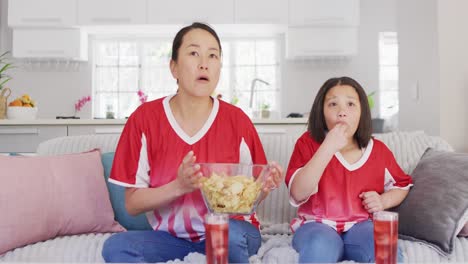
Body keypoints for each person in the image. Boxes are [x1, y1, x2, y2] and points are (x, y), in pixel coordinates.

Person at [101, 22, 283, 263]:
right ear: (174, 67)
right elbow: (132, 204)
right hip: (172, 240)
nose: (204, 63)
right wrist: (179, 186)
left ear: (219, 68)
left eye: (213, 55)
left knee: (229, 235)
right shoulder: (143, 120)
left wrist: (263, 188)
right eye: (194, 53)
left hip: (231, 231)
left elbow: (253, 196)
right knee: (116, 248)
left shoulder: (237, 121)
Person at [285, 76, 413, 263]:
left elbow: (402, 185)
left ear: (362, 112)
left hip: (362, 227)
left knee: (385, 248)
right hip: (317, 227)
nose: (342, 112)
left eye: (351, 104)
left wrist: (383, 200)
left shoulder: (378, 151)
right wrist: (328, 147)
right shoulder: (308, 144)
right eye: (333, 104)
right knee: (319, 247)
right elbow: (297, 192)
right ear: (321, 112)